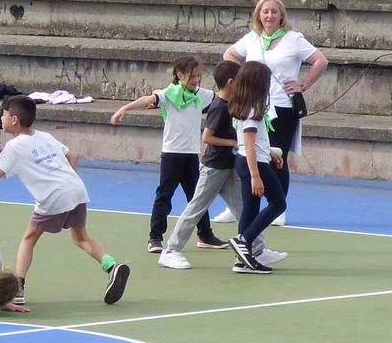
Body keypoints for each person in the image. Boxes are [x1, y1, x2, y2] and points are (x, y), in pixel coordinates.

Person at [0, 96, 128, 305]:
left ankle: (18, 288)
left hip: (53, 197)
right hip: (76, 189)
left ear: (14, 119)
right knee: (81, 237)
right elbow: (73, 157)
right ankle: (112, 266)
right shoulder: (44, 136)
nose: (0, 119)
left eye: (3, 115)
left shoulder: (14, 147)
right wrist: (67, 181)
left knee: (29, 238)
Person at [161, 60, 269, 268]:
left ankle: (257, 248)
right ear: (231, 82)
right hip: (214, 167)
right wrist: (234, 143)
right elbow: (207, 137)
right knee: (196, 208)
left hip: (229, 165)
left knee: (242, 207)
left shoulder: (234, 104)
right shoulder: (219, 107)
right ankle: (171, 249)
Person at [109, 54, 219, 253]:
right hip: (171, 154)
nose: (196, 80)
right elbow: (148, 99)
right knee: (164, 195)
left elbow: (223, 100)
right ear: (179, 74)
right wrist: (124, 108)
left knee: (198, 197)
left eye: (198, 76)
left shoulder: (201, 95)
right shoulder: (169, 94)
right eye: (191, 76)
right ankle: (155, 237)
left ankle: (205, 235)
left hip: (191, 154)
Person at [223, 0, 327, 203]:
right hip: (254, 104)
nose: (269, 15)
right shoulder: (253, 37)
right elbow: (230, 55)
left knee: (277, 156)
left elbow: (320, 61)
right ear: (258, 15)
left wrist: (303, 85)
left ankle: (277, 203)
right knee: (247, 152)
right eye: (265, 11)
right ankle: (243, 203)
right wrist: (243, 78)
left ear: (281, 16)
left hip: (281, 105)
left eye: (274, 11)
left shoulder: (293, 38)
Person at [224, 60, 288, 273]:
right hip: (254, 165)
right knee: (278, 203)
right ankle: (244, 240)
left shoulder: (246, 107)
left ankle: (242, 259)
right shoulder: (252, 109)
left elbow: (253, 142)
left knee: (250, 211)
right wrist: (256, 176)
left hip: (249, 160)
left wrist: (270, 152)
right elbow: (250, 145)